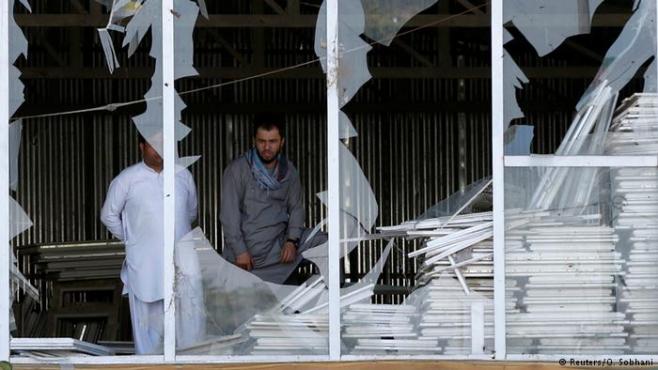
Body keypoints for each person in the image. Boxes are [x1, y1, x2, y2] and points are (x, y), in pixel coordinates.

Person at [100, 134, 201, 354]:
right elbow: (108, 215)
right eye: (154, 145)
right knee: (149, 332)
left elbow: (191, 212)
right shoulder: (127, 179)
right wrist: (132, 240)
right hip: (145, 265)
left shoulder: (182, 175)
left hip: (182, 263)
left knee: (189, 327)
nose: (160, 150)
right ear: (141, 147)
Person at [220, 114, 327, 284]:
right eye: (262, 141)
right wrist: (240, 251)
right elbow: (229, 216)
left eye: (272, 141)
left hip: (278, 247)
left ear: (282, 142)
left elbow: (296, 208)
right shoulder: (237, 170)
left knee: (325, 242)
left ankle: (331, 300)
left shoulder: (289, 171)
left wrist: (292, 240)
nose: (267, 147)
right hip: (248, 254)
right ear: (254, 140)